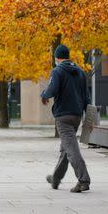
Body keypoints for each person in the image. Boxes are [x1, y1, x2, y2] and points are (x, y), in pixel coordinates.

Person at [41, 44, 91, 193]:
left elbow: (52, 89)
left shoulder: (57, 71)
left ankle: (84, 180)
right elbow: (87, 97)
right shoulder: (80, 72)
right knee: (66, 148)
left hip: (63, 116)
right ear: (68, 56)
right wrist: (88, 119)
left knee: (71, 149)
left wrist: (44, 95)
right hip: (77, 115)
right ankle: (55, 179)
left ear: (57, 58)